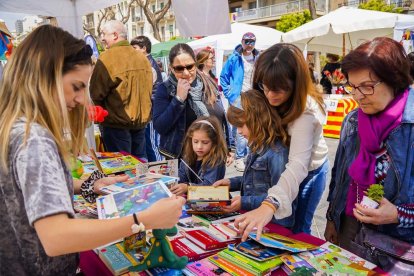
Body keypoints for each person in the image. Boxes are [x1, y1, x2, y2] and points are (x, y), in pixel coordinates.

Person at [0, 25, 185, 275]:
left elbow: (26, 188)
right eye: (76, 86)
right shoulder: (35, 139)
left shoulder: (15, 127)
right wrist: (143, 219)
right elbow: (56, 238)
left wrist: (87, 184)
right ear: (46, 76)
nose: (79, 100)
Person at [324, 38, 414, 267]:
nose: (358, 95)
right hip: (350, 227)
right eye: (352, 86)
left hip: (397, 246)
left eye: (367, 86)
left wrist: (398, 214)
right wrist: (332, 219)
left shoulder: (410, 127)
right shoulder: (353, 121)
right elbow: (340, 176)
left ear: (394, 79)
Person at [235, 43, 329, 240]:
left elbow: (298, 166)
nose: (269, 96)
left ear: (296, 84)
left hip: (309, 171)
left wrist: (269, 204)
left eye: (278, 90)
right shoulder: (268, 92)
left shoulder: (306, 113)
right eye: (265, 87)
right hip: (290, 165)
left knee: (298, 231)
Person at [213, 90, 295, 227]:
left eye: (241, 125)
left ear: (257, 120)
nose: (238, 131)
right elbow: (255, 181)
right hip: (254, 220)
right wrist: (230, 183)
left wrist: (244, 201)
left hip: (273, 225)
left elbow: (282, 195)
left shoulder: (277, 152)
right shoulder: (256, 144)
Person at [153, 43, 228, 160]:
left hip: (213, 155)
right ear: (171, 68)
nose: (186, 73)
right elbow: (160, 126)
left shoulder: (208, 82)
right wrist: (178, 99)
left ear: (195, 64)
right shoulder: (165, 89)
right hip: (182, 157)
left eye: (190, 66)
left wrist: (229, 146)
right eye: (179, 69)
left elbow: (221, 116)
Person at [90, 20, 153, 160]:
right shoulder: (142, 58)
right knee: (140, 167)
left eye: (103, 34)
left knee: (122, 170)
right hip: (139, 124)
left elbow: (96, 93)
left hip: (116, 125)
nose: (102, 38)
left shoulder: (107, 58)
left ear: (115, 35)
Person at [220, 32, 259, 172]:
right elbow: (223, 77)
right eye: (247, 41)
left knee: (253, 126)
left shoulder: (258, 57)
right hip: (238, 97)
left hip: (254, 97)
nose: (249, 44)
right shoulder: (234, 58)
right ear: (242, 41)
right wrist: (230, 94)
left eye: (252, 42)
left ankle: (249, 156)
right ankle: (239, 158)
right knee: (242, 126)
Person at [171, 116, 227, 196]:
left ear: (214, 142)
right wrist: (166, 179)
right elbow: (181, 177)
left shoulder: (216, 161)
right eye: (196, 142)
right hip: (191, 200)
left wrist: (188, 187)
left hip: (212, 201)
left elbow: (209, 186)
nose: (199, 146)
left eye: (205, 142)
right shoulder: (187, 157)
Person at [131, 35, 163, 162]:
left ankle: (162, 172)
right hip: (150, 110)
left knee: (152, 145)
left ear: (144, 48)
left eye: (134, 48)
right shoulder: (147, 63)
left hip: (151, 111)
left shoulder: (148, 66)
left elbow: (146, 91)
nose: (132, 51)